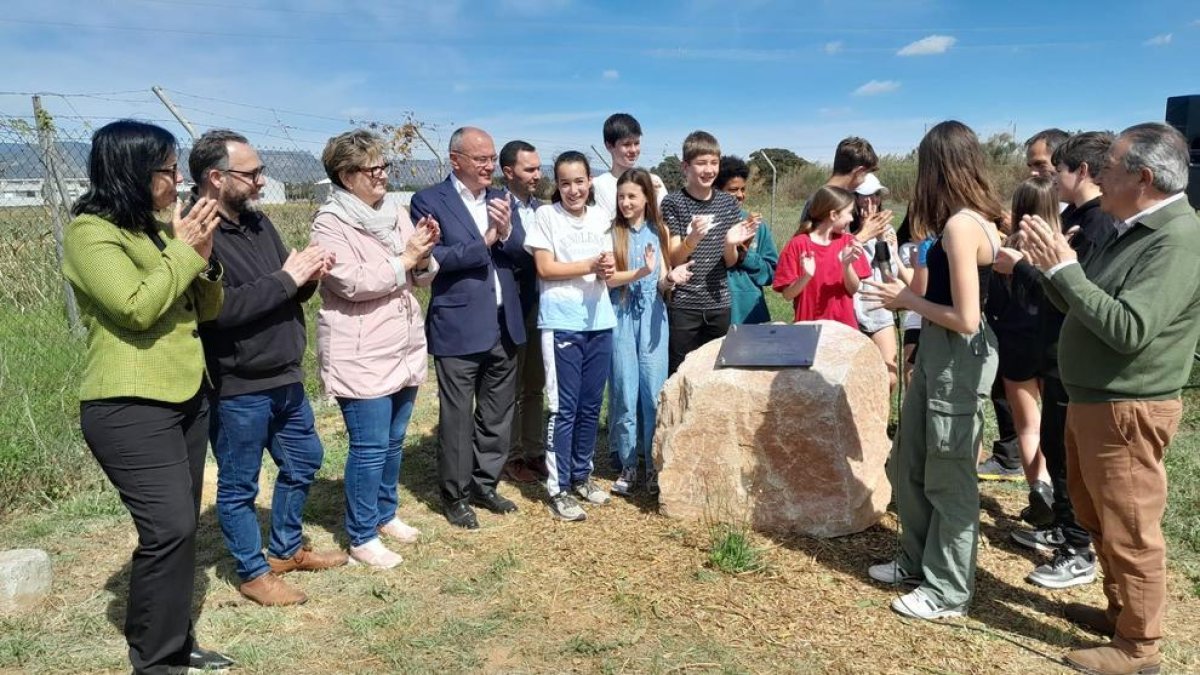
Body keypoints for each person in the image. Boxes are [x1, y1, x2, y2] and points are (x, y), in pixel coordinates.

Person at [1020, 122, 1200, 675]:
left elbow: (1127, 329)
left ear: (1142, 177)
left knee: (1130, 529)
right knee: (1101, 518)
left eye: (1111, 166)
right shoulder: (1135, 228)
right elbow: (1087, 303)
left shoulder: (1175, 238)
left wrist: (1065, 270)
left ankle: (1139, 649)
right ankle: (1121, 616)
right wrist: (1049, 268)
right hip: (1098, 403)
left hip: (1127, 408)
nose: (1099, 175)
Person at [62, 120, 233, 674]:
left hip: (185, 395)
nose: (177, 179)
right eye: (167, 168)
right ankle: (156, 662)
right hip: (129, 404)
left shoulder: (158, 231)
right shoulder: (91, 233)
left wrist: (202, 254)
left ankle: (172, 640)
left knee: (178, 529)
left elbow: (203, 308)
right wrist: (184, 250)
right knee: (171, 527)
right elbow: (134, 305)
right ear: (133, 170)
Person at [193, 129, 345, 606]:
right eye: (252, 173)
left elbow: (287, 284)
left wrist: (307, 276)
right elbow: (218, 310)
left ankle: (284, 549)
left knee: (304, 461)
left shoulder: (258, 224)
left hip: (283, 374)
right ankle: (253, 571)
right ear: (216, 178)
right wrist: (287, 278)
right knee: (239, 485)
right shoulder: (195, 234)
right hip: (238, 383)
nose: (261, 180)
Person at [861, 120, 1002, 620]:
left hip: (957, 357)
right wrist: (908, 292)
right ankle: (916, 560)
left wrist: (906, 299)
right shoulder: (968, 221)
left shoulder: (964, 226)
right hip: (939, 353)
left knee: (948, 476)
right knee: (910, 462)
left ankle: (948, 591)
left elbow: (966, 318)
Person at [313, 130, 440, 567]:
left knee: (393, 439)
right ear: (347, 176)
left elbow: (420, 275)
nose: (382, 175)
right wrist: (406, 259)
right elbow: (349, 283)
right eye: (373, 169)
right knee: (368, 446)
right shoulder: (329, 223)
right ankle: (361, 533)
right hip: (360, 347)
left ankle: (385, 514)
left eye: (384, 166)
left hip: (402, 343)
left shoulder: (394, 211)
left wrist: (423, 256)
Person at [1000, 132, 1117, 590]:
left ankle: (1077, 549)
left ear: (1080, 172)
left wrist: (1024, 268)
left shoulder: (1098, 225)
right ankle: (1063, 529)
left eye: (1055, 169)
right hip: (1055, 352)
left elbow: (1075, 295)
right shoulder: (1078, 218)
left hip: (1070, 355)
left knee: (1068, 459)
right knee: (1054, 442)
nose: (1048, 176)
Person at [410, 127, 529, 529]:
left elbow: (519, 252)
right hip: (459, 325)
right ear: (455, 160)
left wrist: (508, 232)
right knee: (458, 417)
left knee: (497, 414)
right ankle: (455, 495)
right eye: (480, 159)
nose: (489, 166)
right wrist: (487, 240)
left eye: (492, 158)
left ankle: (485, 483)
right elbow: (433, 258)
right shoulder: (428, 201)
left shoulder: (501, 198)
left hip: (503, 322)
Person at [524, 151, 617, 521]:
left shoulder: (600, 217)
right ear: (556, 185)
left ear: (589, 181)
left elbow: (605, 268)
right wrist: (589, 265)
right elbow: (545, 268)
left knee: (592, 406)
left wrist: (606, 269)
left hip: (599, 319)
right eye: (565, 183)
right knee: (564, 407)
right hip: (563, 321)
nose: (573, 189)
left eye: (579, 181)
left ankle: (582, 475)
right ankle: (559, 487)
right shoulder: (546, 217)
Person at [606, 168, 693, 497]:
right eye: (621, 196)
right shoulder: (612, 232)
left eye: (632, 196)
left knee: (653, 390)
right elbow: (609, 279)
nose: (626, 202)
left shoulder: (660, 231)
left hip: (654, 319)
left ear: (646, 198)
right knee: (625, 389)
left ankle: (653, 464)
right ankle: (628, 463)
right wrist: (639, 271)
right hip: (621, 317)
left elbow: (661, 281)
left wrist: (673, 279)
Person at [987, 176, 1055, 527]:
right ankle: (1054, 487)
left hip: (1014, 345)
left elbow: (993, 303)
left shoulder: (1005, 249)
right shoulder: (1060, 246)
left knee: (1028, 427)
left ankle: (1038, 488)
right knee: (1055, 424)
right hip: (1051, 344)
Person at [662, 131, 755, 374]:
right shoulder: (674, 203)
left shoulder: (727, 203)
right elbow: (673, 258)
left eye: (714, 163)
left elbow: (731, 261)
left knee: (717, 371)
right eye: (701, 163)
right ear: (686, 167)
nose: (709, 170)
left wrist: (729, 243)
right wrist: (691, 240)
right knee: (680, 371)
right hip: (684, 306)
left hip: (719, 304)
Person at [498, 139, 547, 484]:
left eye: (538, 168)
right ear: (508, 171)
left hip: (541, 306)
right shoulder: (496, 207)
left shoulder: (543, 209)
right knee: (510, 387)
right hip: (510, 306)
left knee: (535, 384)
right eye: (530, 169)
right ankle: (510, 455)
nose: (537, 175)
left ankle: (534, 451)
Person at [773, 185, 870, 326]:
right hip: (808, 331)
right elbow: (788, 295)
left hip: (844, 329)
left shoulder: (849, 243)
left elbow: (853, 289)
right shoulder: (797, 244)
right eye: (849, 213)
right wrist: (806, 276)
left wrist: (846, 265)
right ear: (833, 215)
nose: (851, 218)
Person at [851, 174, 900, 390]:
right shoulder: (845, 229)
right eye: (863, 197)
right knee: (857, 377)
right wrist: (862, 235)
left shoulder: (887, 230)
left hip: (879, 308)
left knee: (889, 377)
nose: (870, 202)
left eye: (875, 196)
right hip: (853, 308)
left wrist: (882, 242)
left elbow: (892, 274)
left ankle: (882, 422)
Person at [715, 155, 778, 325]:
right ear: (716, 191)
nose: (740, 195)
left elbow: (772, 272)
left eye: (743, 189)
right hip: (716, 316)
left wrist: (746, 256)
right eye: (733, 190)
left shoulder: (757, 226)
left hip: (751, 315)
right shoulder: (704, 226)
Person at [593, 113, 643, 219]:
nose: (633, 150)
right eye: (626, 144)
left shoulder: (652, 182)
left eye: (637, 143)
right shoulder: (597, 186)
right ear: (609, 146)